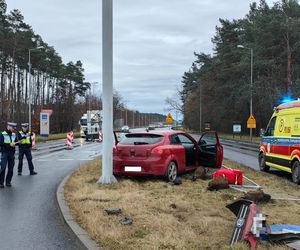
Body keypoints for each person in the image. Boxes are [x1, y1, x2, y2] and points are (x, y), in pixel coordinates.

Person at [0, 122, 18, 188]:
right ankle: (1, 183)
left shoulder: (14, 134)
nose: (14, 129)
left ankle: (8, 182)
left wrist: (18, 143)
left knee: (11, 169)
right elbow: (1, 143)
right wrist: (9, 144)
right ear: (9, 127)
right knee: (3, 168)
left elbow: (16, 142)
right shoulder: (2, 134)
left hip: (11, 153)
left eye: (14, 128)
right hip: (4, 153)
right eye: (13, 128)